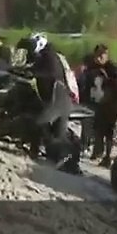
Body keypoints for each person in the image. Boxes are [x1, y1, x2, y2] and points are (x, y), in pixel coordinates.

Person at [16, 33, 82, 174]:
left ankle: (65, 161)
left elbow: (51, 74)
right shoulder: (48, 55)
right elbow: (35, 69)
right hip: (58, 99)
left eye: (32, 46)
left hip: (58, 100)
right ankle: (41, 152)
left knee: (41, 123)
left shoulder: (50, 57)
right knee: (55, 131)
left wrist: (32, 73)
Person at [81, 44, 117, 165]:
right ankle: (95, 151)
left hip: (109, 104)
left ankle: (107, 156)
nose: (100, 58)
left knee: (109, 131)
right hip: (93, 102)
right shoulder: (90, 68)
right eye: (98, 55)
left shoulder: (112, 69)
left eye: (102, 55)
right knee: (96, 129)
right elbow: (85, 84)